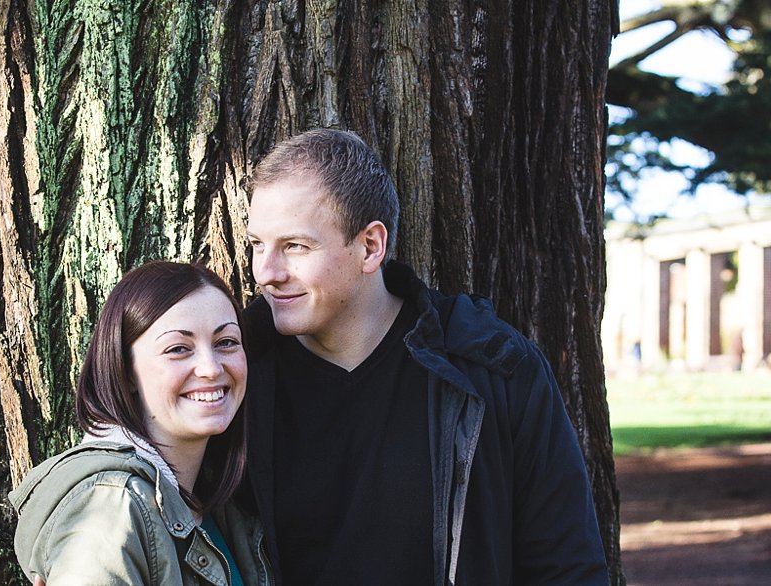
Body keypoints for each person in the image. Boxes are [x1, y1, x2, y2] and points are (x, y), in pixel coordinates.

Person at [242, 128, 608, 585]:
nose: (265, 273)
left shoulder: (493, 368)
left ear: (370, 247)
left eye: (294, 246)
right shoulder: (234, 376)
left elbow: (567, 568)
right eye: (258, 244)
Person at [11, 261, 272, 586]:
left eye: (226, 342)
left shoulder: (218, 510)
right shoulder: (110, 507)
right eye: (178, 349)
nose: (210, 368)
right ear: (125, 372)